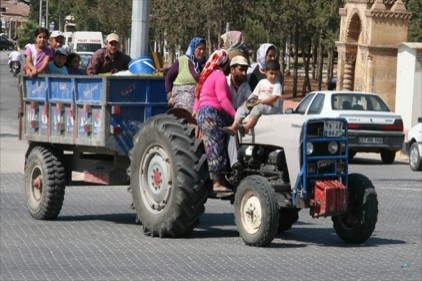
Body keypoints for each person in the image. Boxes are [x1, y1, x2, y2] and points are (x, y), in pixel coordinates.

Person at [193, 49, 235, 195]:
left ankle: (224, 177)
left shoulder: (206, 76)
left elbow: (198, 96)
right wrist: (236, 116)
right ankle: (217, 182)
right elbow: (223, 100)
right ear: (224, 63)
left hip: (204, 113)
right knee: (215, 144)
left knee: (218, 142)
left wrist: (195, 111)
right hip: (213, 114)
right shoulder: (219, 76)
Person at [223, 60, 282, 137]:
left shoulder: (277, 85)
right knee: (242, 108)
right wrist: (248, 102)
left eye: (276, 74)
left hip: (270, 106)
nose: (273, 76)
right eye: (271, 73)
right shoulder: (262, 82)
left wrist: (261, 101)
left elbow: (274, 98)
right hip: (259, 102)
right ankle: (233, 127)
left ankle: (246, 127)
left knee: (257, 108)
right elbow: (254, 94)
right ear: (266, 72)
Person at [165, 37, 206, 113]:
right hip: (182, 94)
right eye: (199, 49)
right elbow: (168, 78)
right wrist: (169, 97)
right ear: (193, 48)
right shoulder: (182, 60)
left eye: (204, 49)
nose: (202, 51)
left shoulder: (206, 65)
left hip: (198, 96)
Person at [226, 55, 251, 173]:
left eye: (245, 70)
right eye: (241, 69)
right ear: (232, 70)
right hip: (224, 116)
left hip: (239, 118)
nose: (244, 73)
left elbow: (250, 101)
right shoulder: (225, 82)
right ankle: (235, 164)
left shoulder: (245, 86)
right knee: (232, 132)